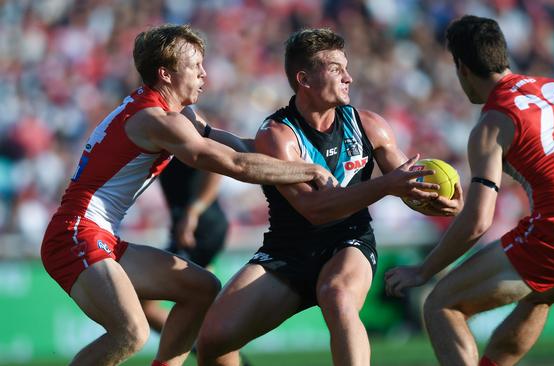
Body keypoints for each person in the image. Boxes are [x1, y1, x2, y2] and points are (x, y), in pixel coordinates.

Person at [40, 24, 335, 366]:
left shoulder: (174, 114)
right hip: (75, 234)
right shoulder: (155, 119)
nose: (204, 74)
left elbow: (238, 147)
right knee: (131, 332)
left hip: (97, 235)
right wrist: (309, 170)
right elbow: (234, 164)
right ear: (165, 74)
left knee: (201, 288)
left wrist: (304, 153)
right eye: (195, 66)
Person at [385, 15, 554, 366]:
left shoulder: (492, 123)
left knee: (441, 304)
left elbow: (479, 221)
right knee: (537, 295)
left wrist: (423, 270)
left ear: (462, 68)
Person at [195, 28, 463, 366]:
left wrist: (444, 201)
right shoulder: (277, 135)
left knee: (337, 296)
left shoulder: (370, 125)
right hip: (287, 252)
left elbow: (410, 184)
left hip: (349, 242)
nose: (348, 77)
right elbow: (314, 209)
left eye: (346, 67)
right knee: (212, 341)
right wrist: (387, 185)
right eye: (335, 68)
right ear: (304, 78)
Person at [141, 156, 228, 335]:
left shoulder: (186, 134)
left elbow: (213, 169)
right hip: (192, 229)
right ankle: (207, 347)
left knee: (144, 301)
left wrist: (192, 212)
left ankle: (207, 347)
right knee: (204, 305)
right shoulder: (166, 140)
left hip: (199, 230)